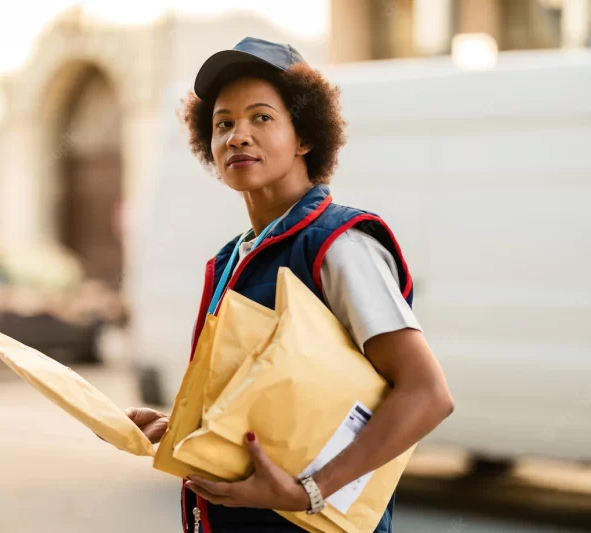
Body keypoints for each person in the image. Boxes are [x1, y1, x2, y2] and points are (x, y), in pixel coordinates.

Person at [124, 37, 454, 533]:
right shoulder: (233, 257)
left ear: (305, 136)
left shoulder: (338, 245)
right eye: (223, 123)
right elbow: (279, 397)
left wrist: (310, 492)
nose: (238, 136)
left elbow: (426, 395)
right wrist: (184, 429)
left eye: (261, 117)